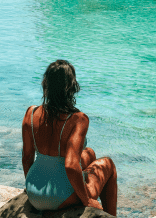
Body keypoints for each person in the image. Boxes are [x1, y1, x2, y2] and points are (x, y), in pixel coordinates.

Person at [22, 59, 118, 216]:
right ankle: (111, 216)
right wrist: (86, 200)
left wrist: (33, 186)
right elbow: (71, 165)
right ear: (71, 87)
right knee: (108, 164)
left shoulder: (31, 113)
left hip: (34, 191)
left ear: (46, 84)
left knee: (89, 154)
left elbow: (27, 158)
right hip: (59, 197)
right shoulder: (78, 119)